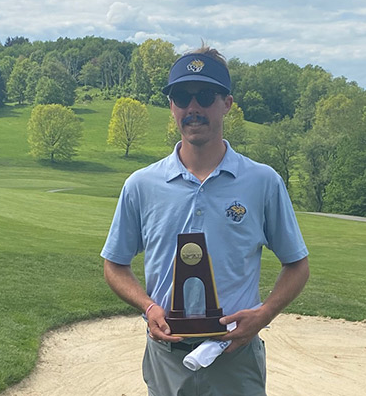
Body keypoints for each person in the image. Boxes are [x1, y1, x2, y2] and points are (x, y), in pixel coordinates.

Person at [101, 45, 310, 396]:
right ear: (171, 106)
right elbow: (115, 265)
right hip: (167, 359)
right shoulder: (141, 185)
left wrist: (264, 314)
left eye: (206, 96)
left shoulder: (262, 181)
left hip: (235, 358)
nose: (193, 108)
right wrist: (149, 307)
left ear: (226, 103)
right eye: (182, 96)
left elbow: (297, 265)